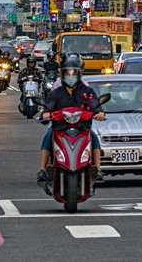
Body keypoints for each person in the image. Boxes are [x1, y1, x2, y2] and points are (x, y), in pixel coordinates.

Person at [37, 56, 106, 187]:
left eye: (73, 72)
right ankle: (42, 169)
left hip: (82, 126)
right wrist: (46, 113)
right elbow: (49, 105)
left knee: (94, 138)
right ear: (62, 74)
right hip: (60, 127)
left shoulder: (87, 90)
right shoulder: (56, 91)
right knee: (47, 136)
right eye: (67, 73)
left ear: (79, 73)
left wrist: (99, 112)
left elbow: (94, 104)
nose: (70, 76)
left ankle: (98, 169)